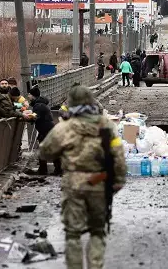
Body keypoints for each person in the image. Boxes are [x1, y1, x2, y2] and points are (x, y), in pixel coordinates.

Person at [39, 86, 126, 269]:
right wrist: (118, 181)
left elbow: (45, 152)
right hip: (100, 182)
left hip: (74, 184)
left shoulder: (65, 127)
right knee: (97, 231)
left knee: (73, 233)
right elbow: (117, 154)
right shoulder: (107, 125)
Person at [28, 86, 61, 175]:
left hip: (46, 131)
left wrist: (26, 117)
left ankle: (46, 170)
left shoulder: (38, 105)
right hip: (47, 130)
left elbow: (35, 117)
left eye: (29, 94)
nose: (28, 96)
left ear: (33, 95)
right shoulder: (40, 104)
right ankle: (56, 169)